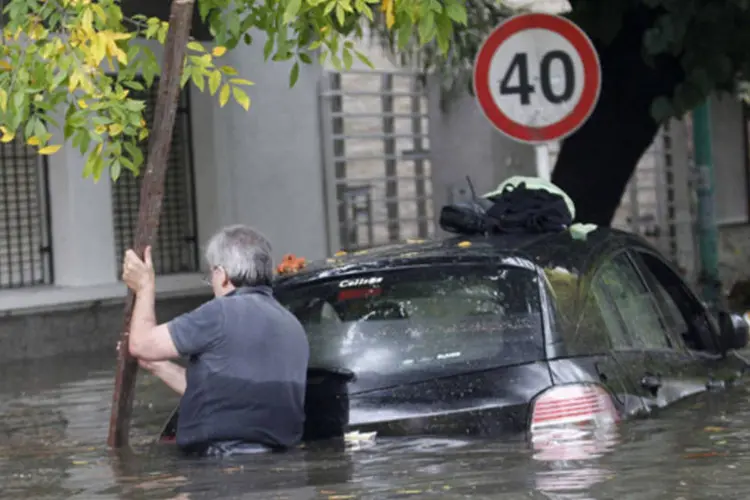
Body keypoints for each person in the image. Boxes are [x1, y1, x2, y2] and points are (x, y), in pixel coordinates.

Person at [121, 224, 310, 457]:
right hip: (281, 464)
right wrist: (157, 366)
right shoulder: (292, 325)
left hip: (219, 465)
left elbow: (141, 343)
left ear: (222, 274)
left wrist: (144, 286)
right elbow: (225, 396)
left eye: (210, 274)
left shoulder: (219, 313)